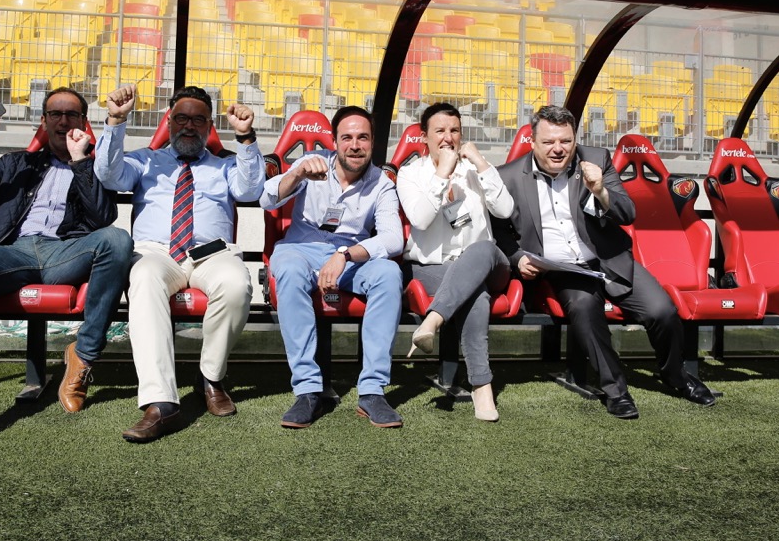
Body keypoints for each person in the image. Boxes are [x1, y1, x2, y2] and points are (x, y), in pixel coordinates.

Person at [0, 87, 134, 453]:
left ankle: (83, 353)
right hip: (11, 252)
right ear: (44, 121)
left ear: (84, 122)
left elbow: (104, 217)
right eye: (55, 114)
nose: (63, 121)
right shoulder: (17, 163)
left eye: (72, 114)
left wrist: (81, 163)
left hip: (66, 253)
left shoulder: (94, 165)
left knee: (117, 239)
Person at [493, 105, 715, 419]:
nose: (559, 149)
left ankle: (676, 375)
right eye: (549, 142)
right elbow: (500, 232)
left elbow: (627, 213)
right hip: (563, 270)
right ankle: (616, 390)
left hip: (609, 258)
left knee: (662, 311)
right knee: (584, 309)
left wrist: (599, 190)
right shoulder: (508, 177)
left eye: (566, 141)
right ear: (532, 141)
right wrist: (517, 259)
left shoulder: (596, 160)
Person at [95, 84, 263, 443]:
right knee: (142, 278)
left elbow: (250, 191)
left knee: (237, 284)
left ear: (209, 126)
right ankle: (161, 401)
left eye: (198, 119)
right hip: (157, 252)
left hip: (210, 254)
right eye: (182, 118)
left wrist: (246, 137)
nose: (189, 126)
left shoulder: (225, 165)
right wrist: (115, 121)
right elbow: (108, 175)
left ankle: (211, 378)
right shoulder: (145, 160)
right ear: (168, 122)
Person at [260, 105, 405, 429]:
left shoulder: (381, 183)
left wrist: (344, 255)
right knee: (289, 268)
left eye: (363, 138)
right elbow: (267, 200)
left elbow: (394, 238)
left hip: (351, 257)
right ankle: (308, 390)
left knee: (388, 273)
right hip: (301, 249)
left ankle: (372, 391)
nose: (355, 145)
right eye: (347, 137)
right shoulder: (311, 164)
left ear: (372, 142)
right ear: (335, 142)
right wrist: (296, 173)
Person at [398, 103, 515, 422]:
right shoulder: (410, 174)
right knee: (475, 296)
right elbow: (420, 220)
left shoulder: (474, 169)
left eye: (454, 130)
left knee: (482, 250)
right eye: (439, 131)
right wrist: (441, 174)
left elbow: (505, 210)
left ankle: (432, 321)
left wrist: (480, 162)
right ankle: (482, 387)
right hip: (433, 269)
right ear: (424, 137)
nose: (448, 137)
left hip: (489, 264)